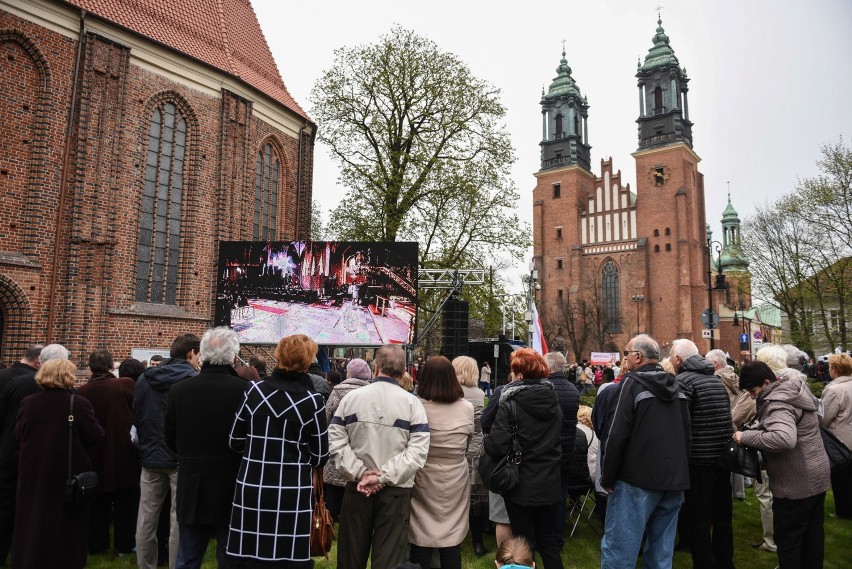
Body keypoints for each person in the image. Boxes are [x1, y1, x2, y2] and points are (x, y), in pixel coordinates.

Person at [225, 334, 329, 568]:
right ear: (307, 360)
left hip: (254, 484)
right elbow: (321, 454)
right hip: (292, 489)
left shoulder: (254, 391)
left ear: (280, 356)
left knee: (249, 556)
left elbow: (234, 439)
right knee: (288, 558)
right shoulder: (312, 401)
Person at [329, 345, 430, 569]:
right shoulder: (413, 404)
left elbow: (336, 442)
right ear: (404, 371)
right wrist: (382, 477)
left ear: (375, 367)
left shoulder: (351, 399)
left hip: (357, 486)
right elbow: (417, 452)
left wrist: (361, 473)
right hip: (395, 489)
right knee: (390, 559)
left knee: (350, 558)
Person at [599, 334, 690, 569]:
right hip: (672, 481)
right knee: (661, 555)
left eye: (626, 353)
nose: (625, 359)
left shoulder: (630, 384)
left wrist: (607, 477)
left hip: (636, 480)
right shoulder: (677, 386)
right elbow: (686, 436)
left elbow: (615, 435)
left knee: (619, 553)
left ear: (638, 357)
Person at [735, 360, 830, 569]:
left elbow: (784, 438)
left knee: (790, 544)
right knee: (812, 539)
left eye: (753, 390)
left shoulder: (777, 402)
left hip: (795, 486)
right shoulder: (793, 391)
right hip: (816, 477)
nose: (752, 396)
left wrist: (745, 437)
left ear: (767, 382)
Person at [166, 328, 247, 568]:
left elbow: (170, 437)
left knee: (188, 556)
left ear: (202, 355)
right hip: (231, 480)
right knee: (229, 555)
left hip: (193, 481)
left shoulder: (180, 390)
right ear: (234, 357)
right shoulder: (245, 391)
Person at [13, 359, 105, 569]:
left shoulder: (29, 402)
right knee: (65, 522)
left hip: (34, 469)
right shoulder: (78, 403)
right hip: (67, 469)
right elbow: (95, 435)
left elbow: (19, 433)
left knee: (34, 516)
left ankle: (31, 558)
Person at [483, 348, 562, 569]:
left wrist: (486, 443)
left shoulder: (510, 403)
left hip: (521, 484)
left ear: (519, 374)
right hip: (548, 480)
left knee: (524, 543)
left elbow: (497, 444)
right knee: (548, 542)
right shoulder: (553, 399)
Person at [133, 333, 201, 569]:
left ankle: (146, 565)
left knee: (146, 517)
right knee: (177, 518)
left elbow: (137, 413)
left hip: (150, 453)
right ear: (190, 353)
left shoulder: (144, 378)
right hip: (180, 456)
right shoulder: (192, 379)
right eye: (198, 355)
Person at [0, 343, 68, 564]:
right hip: (41, 455)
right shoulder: (66, 392)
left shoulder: (14, 382)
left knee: (7, 501)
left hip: (11, 449)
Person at [670, 339, 734, 569]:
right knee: (722, 517)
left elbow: (679, 425)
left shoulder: (683, 381)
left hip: (699, 461)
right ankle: (725, 562)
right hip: (722, 459)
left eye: (671, 356)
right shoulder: (714, 379)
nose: (669, 360)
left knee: (698, 519)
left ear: (678, 359)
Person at [408, 356, 473, 569]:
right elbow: (469, 440)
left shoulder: (415, 406)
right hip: (455, 475)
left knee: (420, 530)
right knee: (452, 533)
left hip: (423, 474)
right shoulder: (466, 408)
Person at [78, 349, 140, 556]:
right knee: (126, 501)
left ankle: (97, 544)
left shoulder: (82, 391)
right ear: (112, 365)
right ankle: (125, 544)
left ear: (90, 367)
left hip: (95, 452)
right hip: (123, 451)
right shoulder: (125, 385)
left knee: (97, 501)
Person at [323, 358, 372, 521]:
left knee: (334, 491)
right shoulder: (372, 392)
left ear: (348, 373)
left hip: (339, 443)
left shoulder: (338, 391)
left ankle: (331, 516)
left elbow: (326, 416)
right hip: (363, 447)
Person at [706, 349, 755, 500]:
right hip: (737, 420)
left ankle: (731, 492)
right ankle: (739, 492)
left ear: (714, 363)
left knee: (727, 461)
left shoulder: (716, 379)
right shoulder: (735, 377)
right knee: (735, 456)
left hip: (726, 420)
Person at [542, 351, 579, 551]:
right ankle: (557, 538)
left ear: (547, 368)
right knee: (560, 496)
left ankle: (545, 536)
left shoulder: (545, 389)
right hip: (566, 452)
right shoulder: (572, 389)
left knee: (544, 497)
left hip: (547, 453)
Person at [452, 355, 488, 557]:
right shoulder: (479, 393)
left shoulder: (450, 393)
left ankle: (453, 539)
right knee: (476, 498)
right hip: (476, 449)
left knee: (454, 496)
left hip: (456, 448)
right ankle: (478, 542)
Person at [820, 352, 852, 518]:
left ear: (834, 369)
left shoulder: (833, 390)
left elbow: (823, 418)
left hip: (840, 441)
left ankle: (844, 512)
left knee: (842, 480)